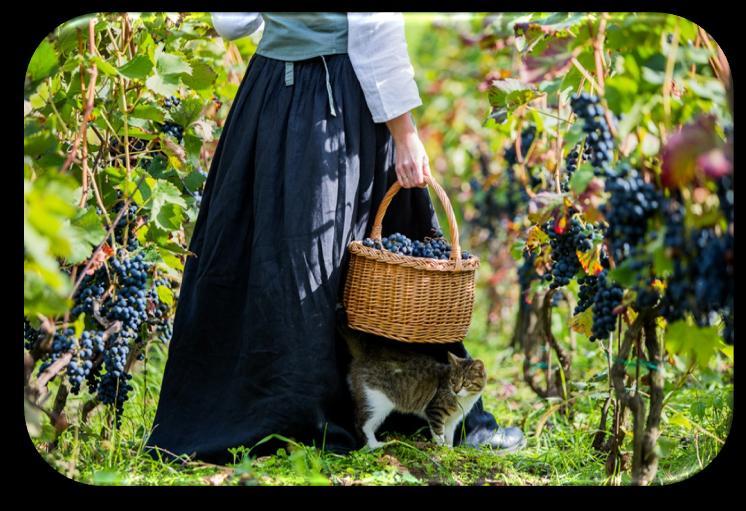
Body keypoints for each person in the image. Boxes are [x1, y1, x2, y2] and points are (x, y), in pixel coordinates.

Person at [147, 12, 525, 464]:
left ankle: (274, 411)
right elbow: (376, 30)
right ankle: (361, 413)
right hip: (337, 108)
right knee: (348, 261)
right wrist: (405, 134)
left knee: (277, 255)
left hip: (268, 99)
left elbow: (233, 22)